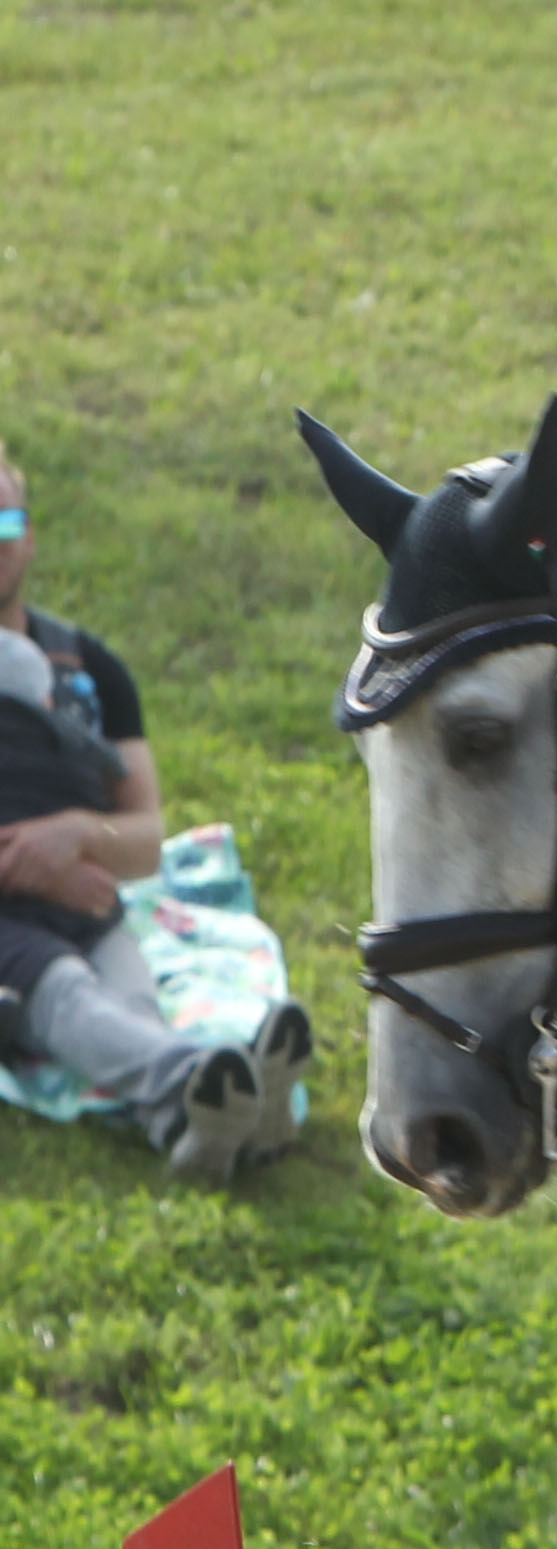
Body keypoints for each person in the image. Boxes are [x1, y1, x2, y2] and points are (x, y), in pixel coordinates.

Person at [0, 442, 309, 1181]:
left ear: (31, 536)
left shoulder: (93, 670)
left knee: (130, 1006)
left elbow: (144, 842)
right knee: (68, 995)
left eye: (4, 522)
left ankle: (195, 1128)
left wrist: (80, 835)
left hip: (90, 899)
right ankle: (207, 1084)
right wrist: (33, 871)